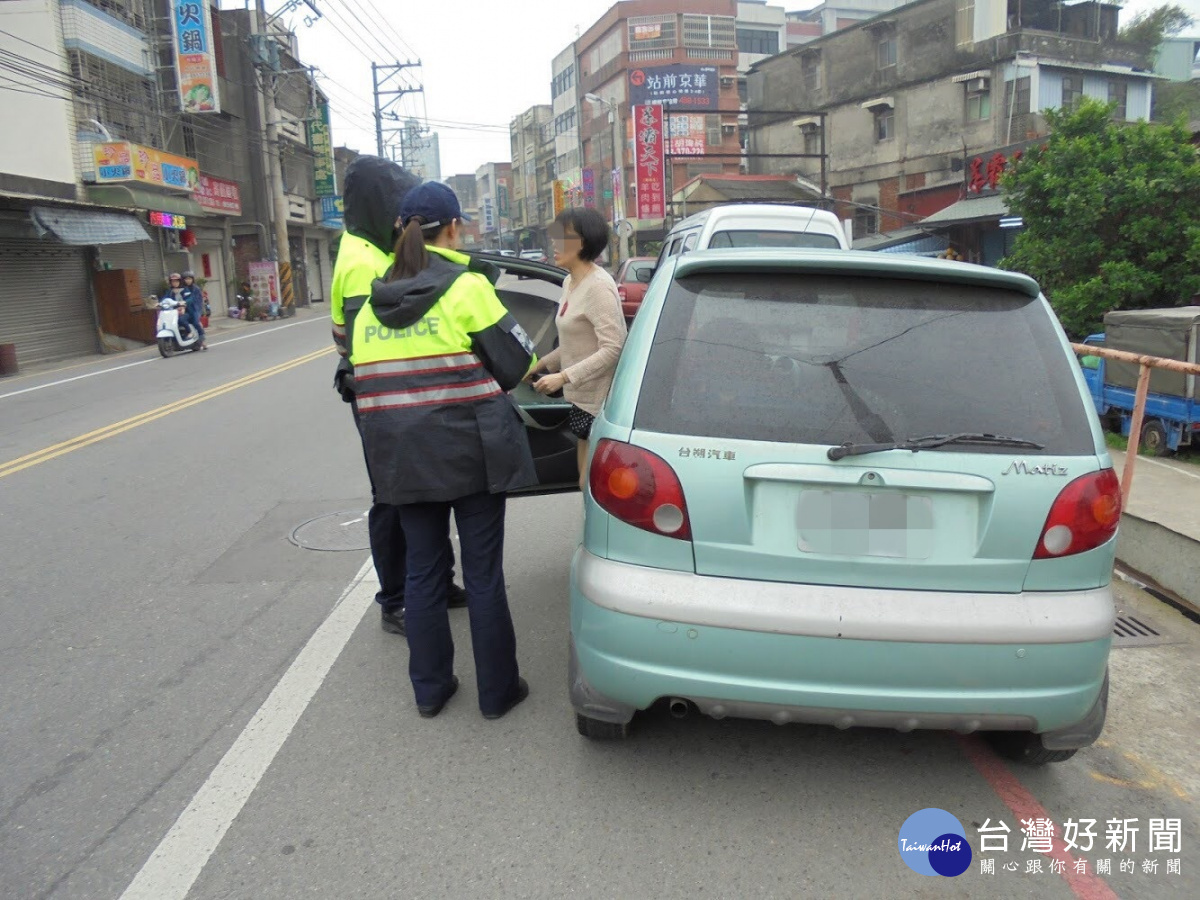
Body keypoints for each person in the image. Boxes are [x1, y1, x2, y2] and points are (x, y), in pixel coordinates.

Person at [356, 180, 537, 719]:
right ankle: (497, 692)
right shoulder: (466, 287)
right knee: (482, 575)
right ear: (453, 229)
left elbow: (356, 381)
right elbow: (516, 364)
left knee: (423, 572)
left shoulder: (371, 302)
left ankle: (430, 691)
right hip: (471, 455)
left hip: (401, 460)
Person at [331, 156, 467, 636]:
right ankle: (394, 598)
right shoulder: (363, 261)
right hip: (382, 397)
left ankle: (437, 582)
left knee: (424, 490)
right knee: (392, 495)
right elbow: (370, 338)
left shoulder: (368, 247)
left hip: (394, 392)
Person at [529, 208, 627, 488]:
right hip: (581, 401)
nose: (554, 243)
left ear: (582, 242)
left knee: (590, 484)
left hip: (600, 403)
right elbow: (576, 342)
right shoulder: (569, 282)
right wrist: (539, 366)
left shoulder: (598, 287)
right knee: (584, 484)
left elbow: (613, 348)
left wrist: (563, 376)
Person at [179, 271, 207, 350]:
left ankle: (202, 339)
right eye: (186, 279)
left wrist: (185, 302)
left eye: (189, 279)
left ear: (192, 279)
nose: (188, 281)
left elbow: (193, 299)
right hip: (187, 310)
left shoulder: (196, 289)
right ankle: (189, 332)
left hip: (196, 309)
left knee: (195, 322)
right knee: (181, 319)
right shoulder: (183, 289)